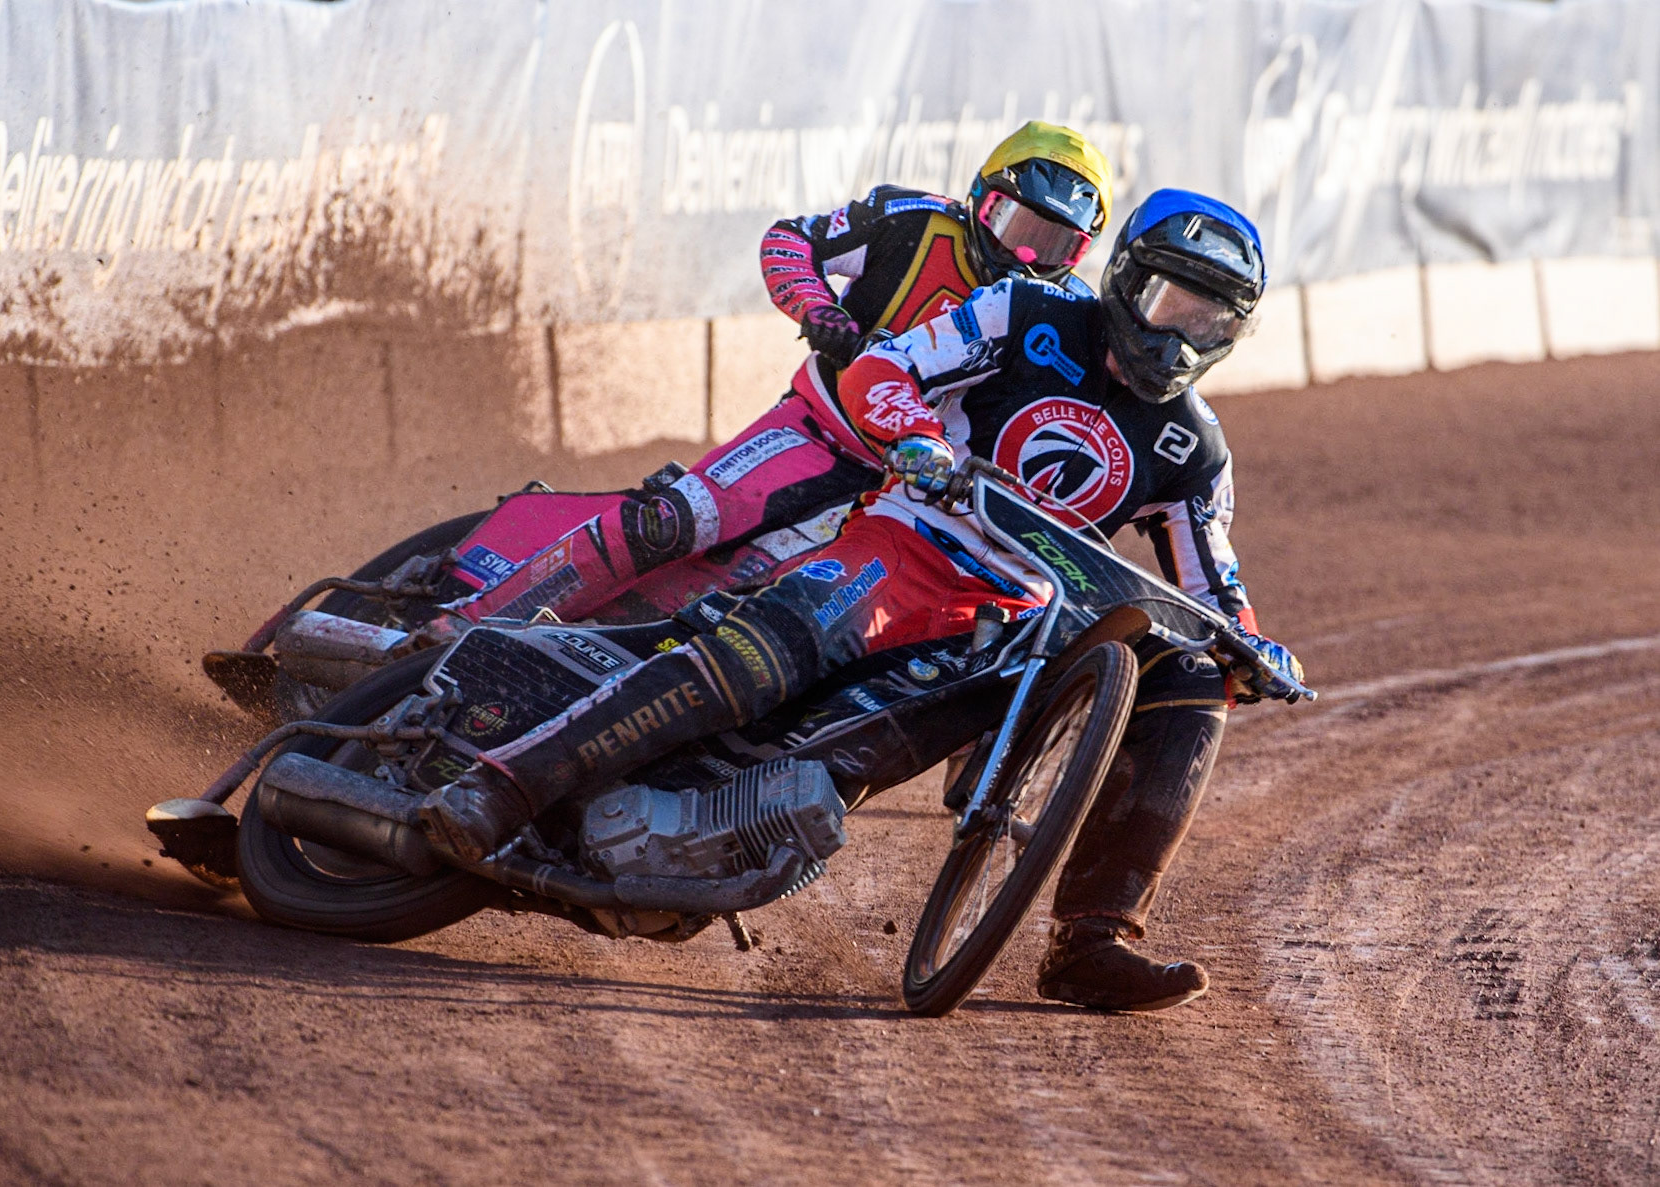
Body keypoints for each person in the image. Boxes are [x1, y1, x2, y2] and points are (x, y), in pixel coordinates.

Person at [419, 189, 1304, 1013]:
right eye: (1168, 303)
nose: (1178, 336)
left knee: (1194, 676)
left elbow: (1210, 585)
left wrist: (1254, 648)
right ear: (1124, 279)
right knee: (755, 659)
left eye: (1208, 319)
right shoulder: (1026, 311)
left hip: (1016, 630)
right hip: (911, 543)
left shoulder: (1193, 447)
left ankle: (1089, 938)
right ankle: (501, 785)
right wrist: (916, 437)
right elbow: (885, 367)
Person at [466, 122, 1115, 624]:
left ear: (1081, 255)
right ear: (980, 195)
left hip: (910, 494)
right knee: (673, 519)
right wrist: (816, 308)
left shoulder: (1064, 317)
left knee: (759, 610)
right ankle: (470, 620)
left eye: (1054, 245)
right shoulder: (911, 220)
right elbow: (788, 239)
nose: (1021, 254)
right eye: (1012, 223)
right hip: (816, 430)